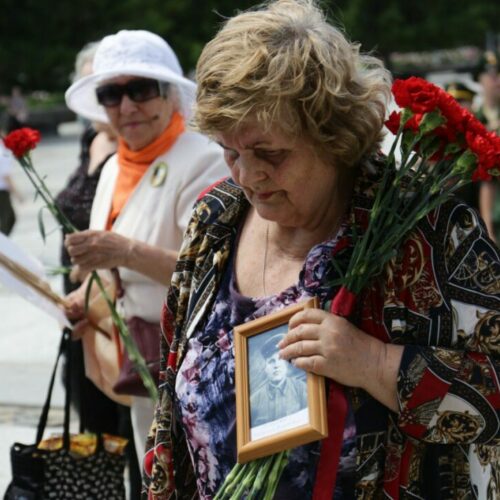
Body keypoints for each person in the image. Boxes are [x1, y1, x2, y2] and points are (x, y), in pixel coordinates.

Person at [143, 1, 500, 499]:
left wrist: (375, 363)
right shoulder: (216, 218)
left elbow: (493, 391)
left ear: (333, 135)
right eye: (230, 151)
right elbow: (172, 401)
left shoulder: (429, 228)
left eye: (269, 153)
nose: (246, 176)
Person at [63, 30, 227, 464]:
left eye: (140, 89)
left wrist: (126, 252)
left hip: (186, 367)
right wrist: (86, 299)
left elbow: (215, 272)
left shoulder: (203, 158)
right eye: (111, 94)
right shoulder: (117, 162)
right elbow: (110, 270)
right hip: (136, 367)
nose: (127, 106)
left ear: (170, 94)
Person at [55, 40, 143, 498]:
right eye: (102, 89)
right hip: (79, 301)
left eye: (122, 88)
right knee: (90, 417)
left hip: (116, 310)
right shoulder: (92, 143)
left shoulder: (132, 153)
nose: (116, 102)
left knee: (125, 425)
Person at [250, 332, 307, 427]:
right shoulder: (254, 401)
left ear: (286, 363)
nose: (276, 365)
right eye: (271, 361)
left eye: (280, 359)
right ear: (265, 368)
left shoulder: (301, 389)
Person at [0, 141, 19, 235]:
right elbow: (5, 173)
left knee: (9, 218)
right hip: (1, 191)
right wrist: (16, 193)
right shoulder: (1, 149)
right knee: (7, 219)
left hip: (3, 190)